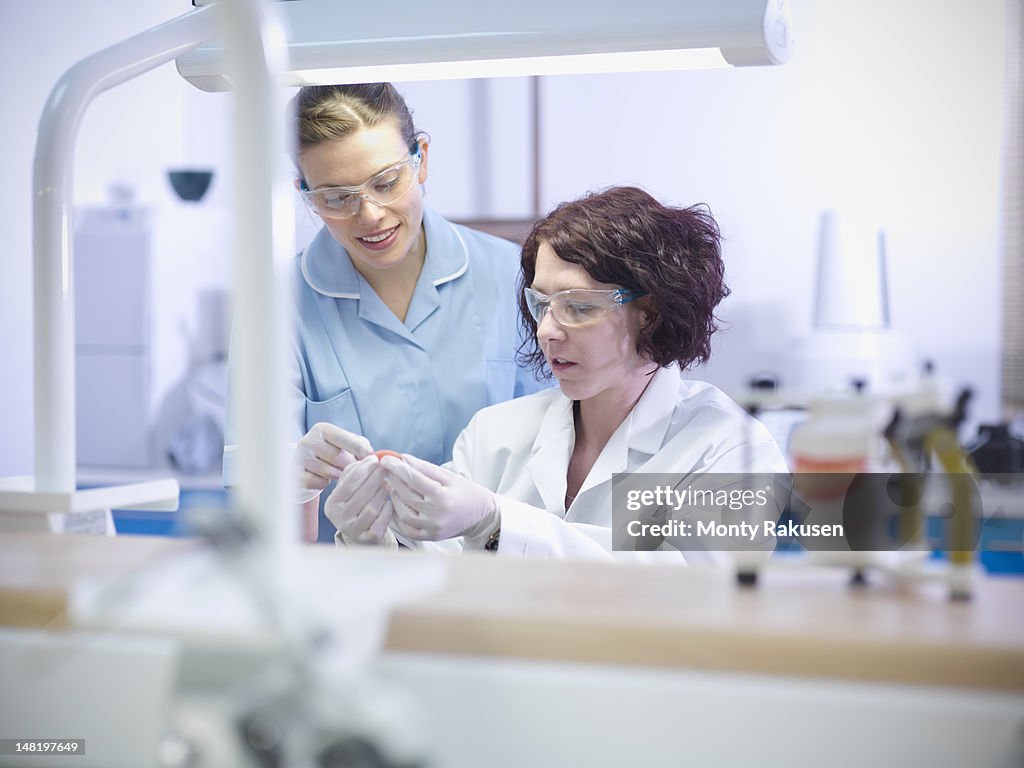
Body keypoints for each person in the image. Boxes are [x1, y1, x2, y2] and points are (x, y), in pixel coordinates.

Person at [325, 186, 789, 560]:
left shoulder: (730, 451)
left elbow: (690, 591)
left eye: (578, 307)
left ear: (651, 312)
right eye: (541, 304)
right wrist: (373, 542)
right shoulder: (496, 434)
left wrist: (498, 523)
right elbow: (435, 573)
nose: (547, 330)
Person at [223, 83, 544, 542]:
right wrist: (290, 485)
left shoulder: (512, 276)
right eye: (336, 197)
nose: (369, 215)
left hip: (501, 571)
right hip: (353, 583)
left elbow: (570, 447)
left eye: (386, 181)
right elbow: (255, 524)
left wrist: (498, 524)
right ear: (306, 193)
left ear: (422, 159)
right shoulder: (273, 307)